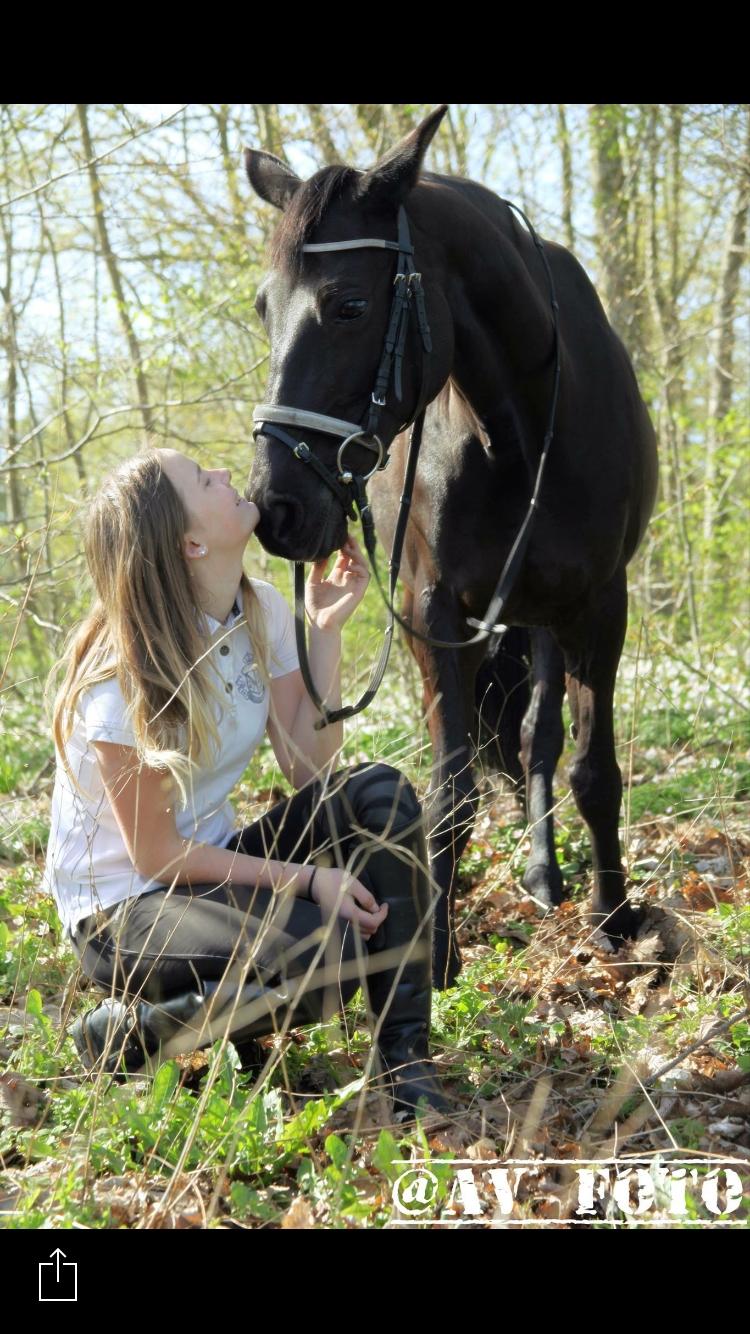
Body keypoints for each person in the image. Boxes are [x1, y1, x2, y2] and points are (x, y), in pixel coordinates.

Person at [42, 446, 454, 1122]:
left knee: (377, 793)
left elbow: (307, 767)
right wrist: (308, 880)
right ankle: (131, 1034)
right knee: (329, 948)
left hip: (209, 874)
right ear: (191, 542)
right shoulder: (123, 673)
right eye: (205, 481)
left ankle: (405, 1061)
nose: (228, 475)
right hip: (125, 911)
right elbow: (156, 857)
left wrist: (324, 631)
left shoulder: (256, 608)